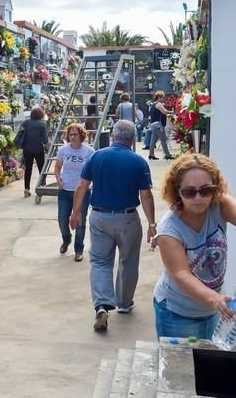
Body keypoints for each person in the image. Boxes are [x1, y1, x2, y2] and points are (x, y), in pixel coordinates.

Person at [151, 154, 236, 340]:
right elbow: (181, 274)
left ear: (215, 188)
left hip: (211, 308)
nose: (198, 198)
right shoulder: (169, 229)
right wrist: (215, 299)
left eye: (206, 190)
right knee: (181, 367)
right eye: (189, 192)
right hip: (178, 313)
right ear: (177, 192)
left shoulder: (218, 206)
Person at [70, 120, 157, 332]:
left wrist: (75, 212)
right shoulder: (138, 162)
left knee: (100, 262)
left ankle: (101, 306)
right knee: (128, 261)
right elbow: (145, 195)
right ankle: (124, 303)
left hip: (99, 217)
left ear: (113, 136)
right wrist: (152, 223)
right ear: (133, 139)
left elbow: (82, 185)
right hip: (128, 219)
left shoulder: (97, 156)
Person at [54, 123, 95, 262]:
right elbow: (57, 167)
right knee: (62, 219)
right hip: (65, 190)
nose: (72, 137)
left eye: (75, 134)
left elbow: (94, 170)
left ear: (81, 135)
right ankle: (66, 239)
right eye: (70, 134)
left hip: (82, 192)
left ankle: (79, 249)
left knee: (80, 221)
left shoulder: (89, 151)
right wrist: (58, 180)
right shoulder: (63, 150)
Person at [20, 106, 48, 198]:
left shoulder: (26, 123)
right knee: (41, 169)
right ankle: (42, 186)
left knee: (28, 169)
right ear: (41, 115)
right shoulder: (43, 124)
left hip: (27, 149)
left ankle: (26, 189)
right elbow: (45, 140)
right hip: (38, 149)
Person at [147, 90, 174, 160]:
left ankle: (151, 154)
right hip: (159, 125)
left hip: (153, 124)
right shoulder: (159, 104)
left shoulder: (153, 104)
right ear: (159, 97)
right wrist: (171, 112)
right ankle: (167, 155)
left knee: (153, 140)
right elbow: (164, 112)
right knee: (163, 140)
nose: (164, 99)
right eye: (163, 97)